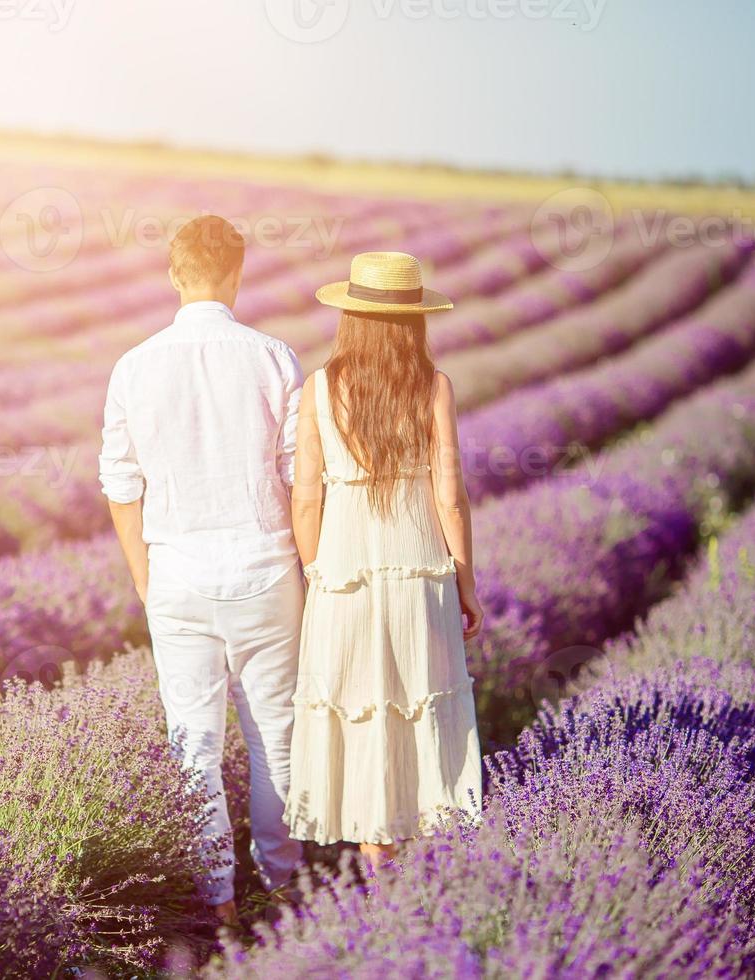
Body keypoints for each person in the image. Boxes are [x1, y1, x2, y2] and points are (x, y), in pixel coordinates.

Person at [99, 214, 304, 928]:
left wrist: (144, 577)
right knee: (276, 736)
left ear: (173, 275)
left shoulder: (134, 365)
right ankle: (282, 889)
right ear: (238, 274)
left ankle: (216, 905)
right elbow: (298, 477)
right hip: (267, 569)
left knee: (194, 746)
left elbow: (121, 483)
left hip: (176, 574)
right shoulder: (274, 357)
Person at [283, 251, 484, 871]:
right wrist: (467, 581)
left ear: (349, 315)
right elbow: (449, 495)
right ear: (415, 321)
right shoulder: (434, 385)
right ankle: (419, 886)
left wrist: (319, 572)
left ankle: (376, 878)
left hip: (343, 576)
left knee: (360, 715)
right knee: (418, 711)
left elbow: (306, 495)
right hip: (418, 569)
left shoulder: (318, 388)